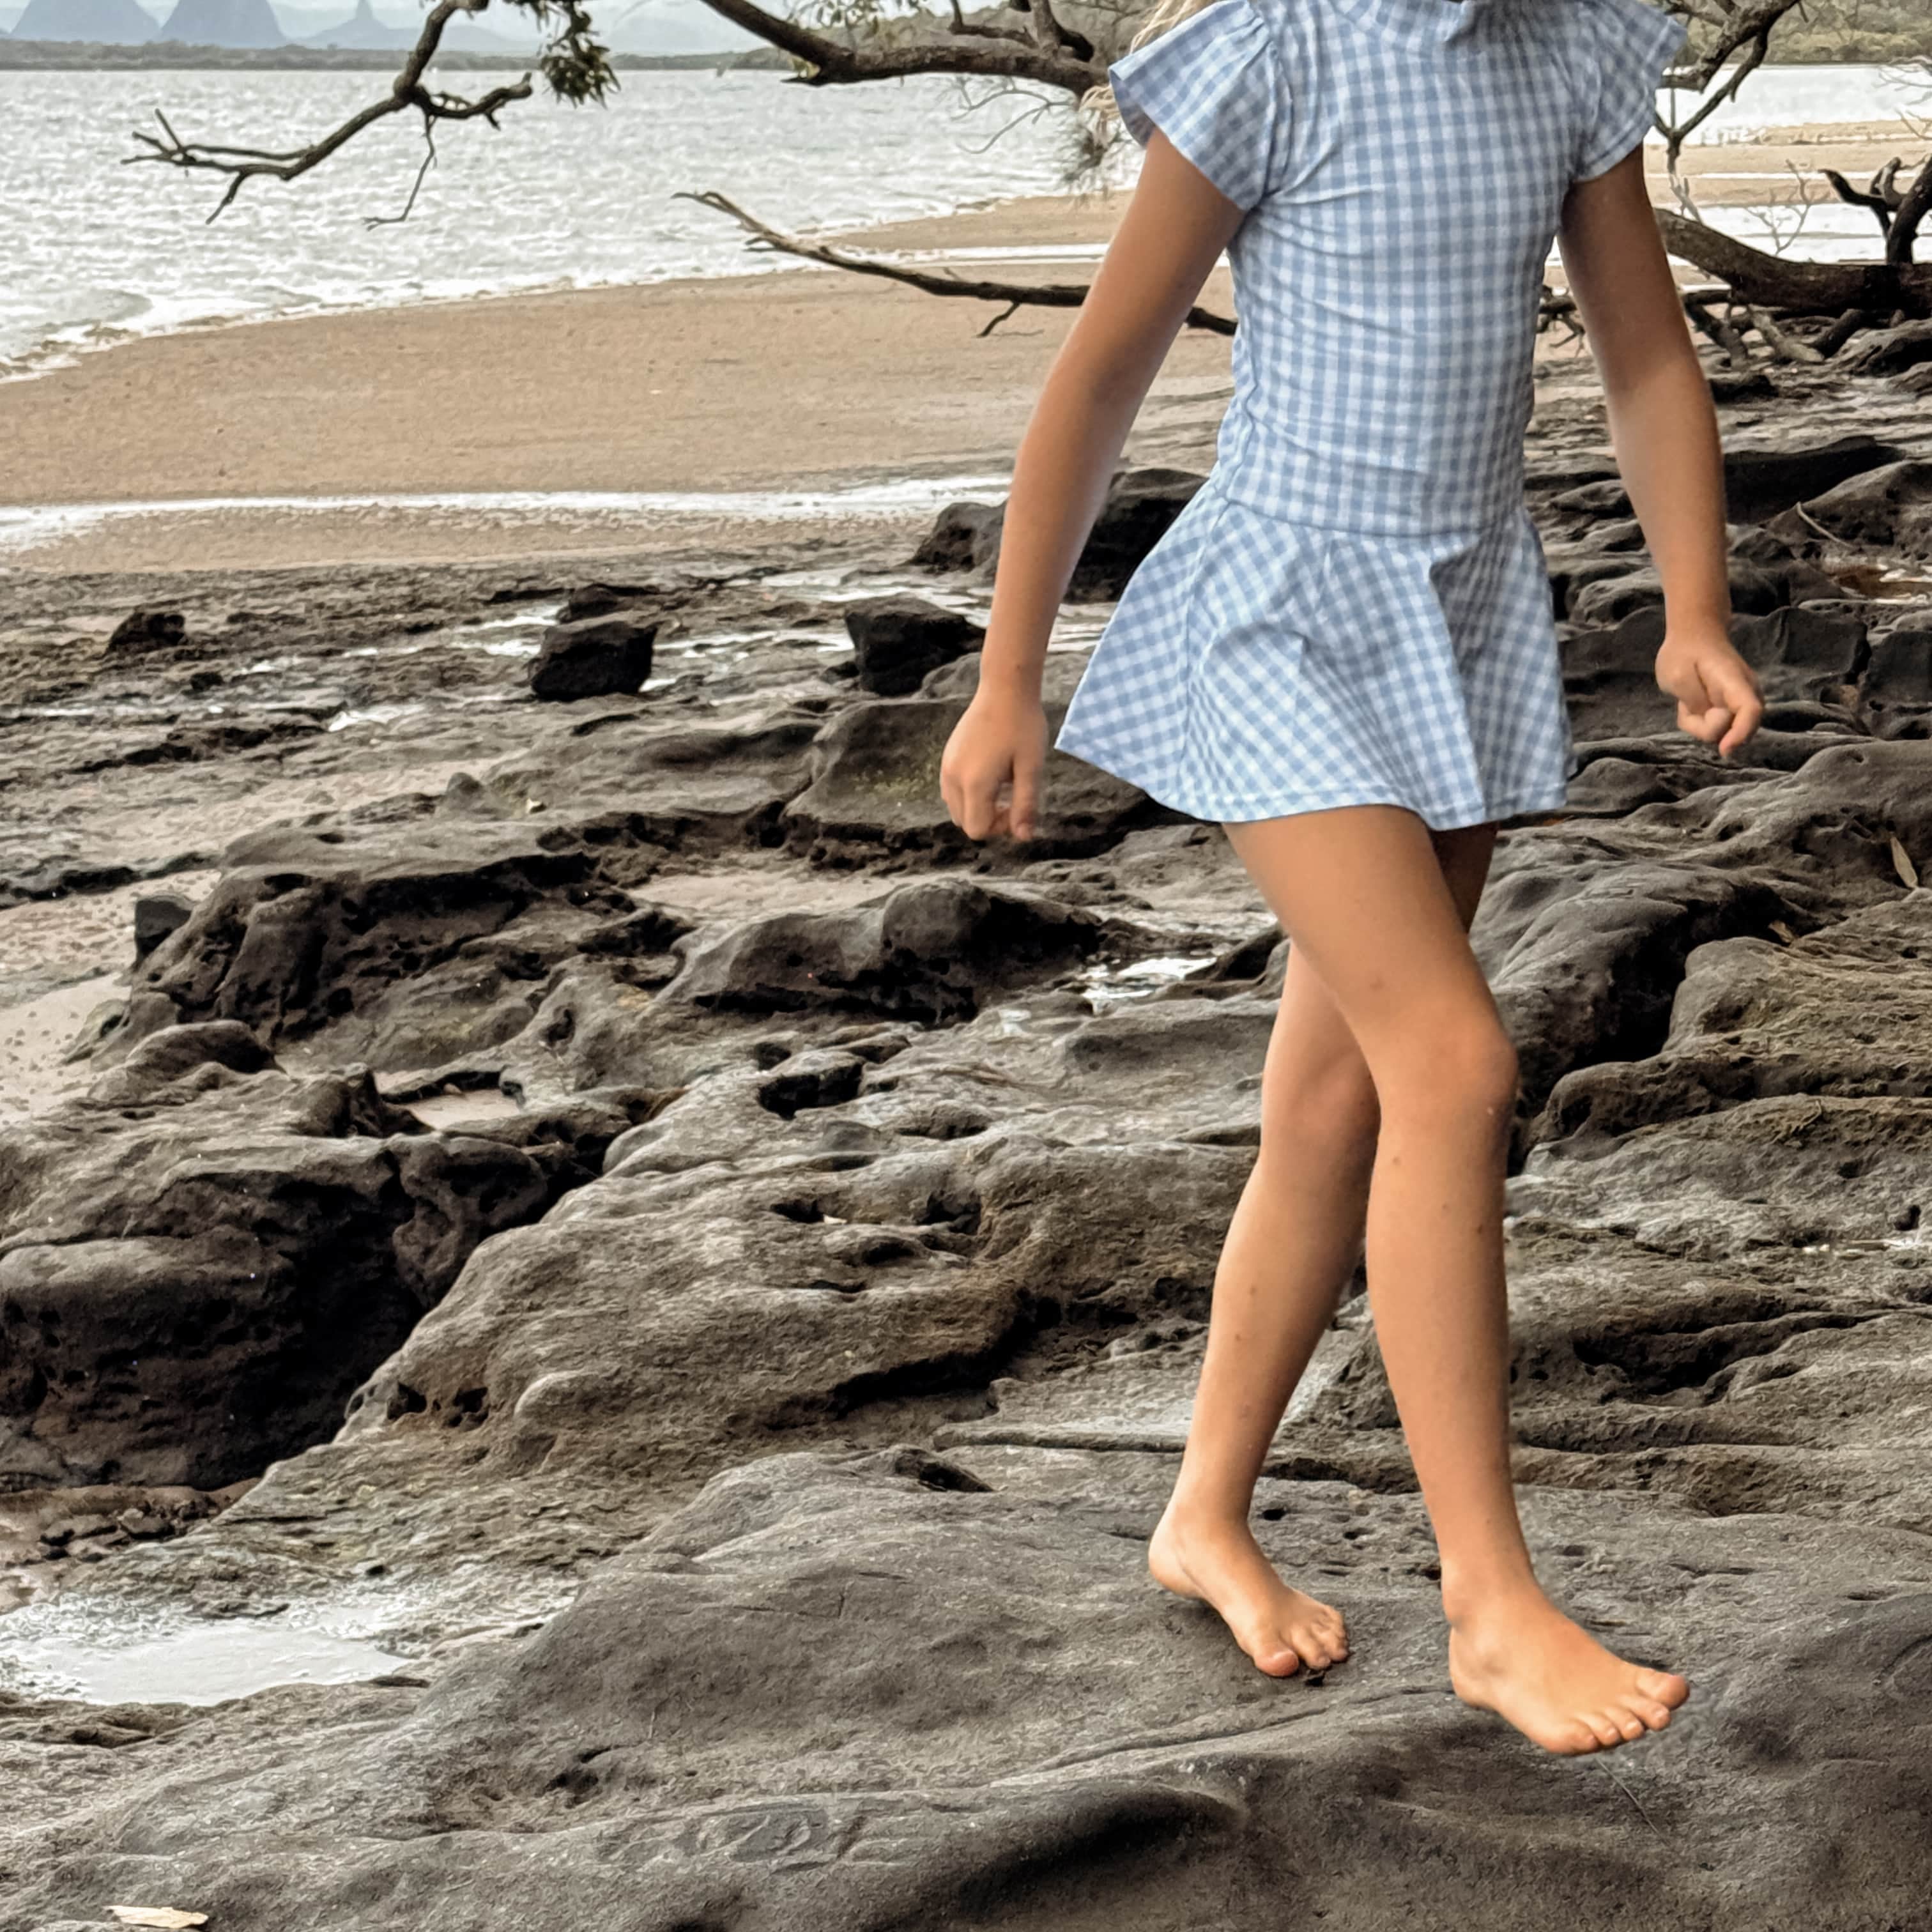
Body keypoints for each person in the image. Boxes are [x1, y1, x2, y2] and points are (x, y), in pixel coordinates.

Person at [938, 0, 1764, 1756]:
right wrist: (1009, 672)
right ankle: (1490, 1602)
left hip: (1455, 623)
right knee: (1454, 1068)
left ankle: (1203, 1517)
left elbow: (1644, 355)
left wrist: (1693, 607)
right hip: (1283, 622)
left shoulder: (1567, 53)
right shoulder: (1275, 50)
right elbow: (1103, 366)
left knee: (1335, 1096)